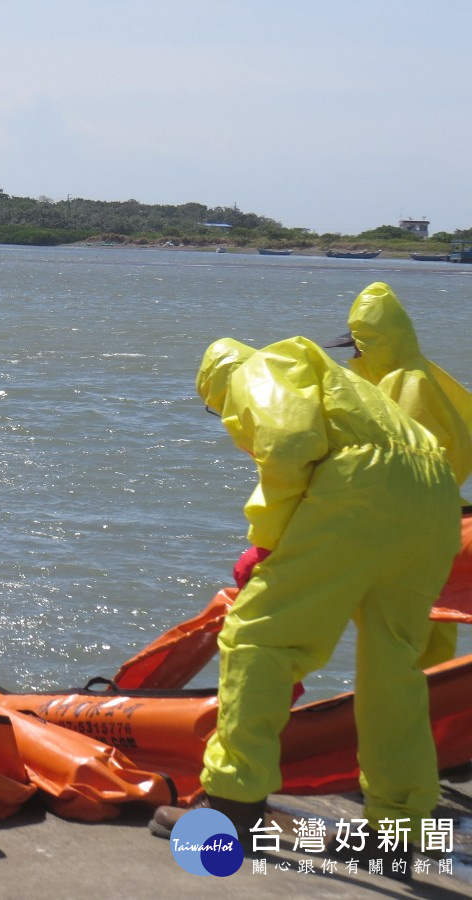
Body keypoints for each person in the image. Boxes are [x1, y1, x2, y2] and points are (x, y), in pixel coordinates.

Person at [151, 336, 461, 874]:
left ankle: (232, 808)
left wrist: (267, 540)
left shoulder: (262, 367)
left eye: (216, 407)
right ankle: (398, 830)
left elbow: (291, 442)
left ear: (218, 384)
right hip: (435, 499)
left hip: (367, 488)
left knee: (257, 638)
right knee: (394, 669)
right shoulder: (346, 386)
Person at [323, 281, 472, 667]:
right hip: (430, 518)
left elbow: (415, 465)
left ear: (375, 343)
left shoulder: (408, 383)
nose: (353, 356)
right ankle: (423, 701)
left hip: (420, 521)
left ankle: (413, 703)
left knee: (416, 631)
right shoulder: (404, 376)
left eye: (357, 347)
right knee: (426, 624)